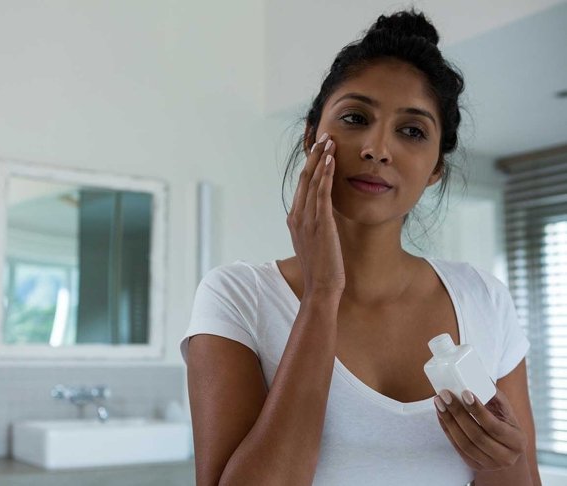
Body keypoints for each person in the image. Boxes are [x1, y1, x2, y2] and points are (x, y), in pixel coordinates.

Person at [179, 8, 542, 486]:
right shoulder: (237, 298)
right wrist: (322, 294)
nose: (378, 148)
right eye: (355, 117)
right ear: (313, 137)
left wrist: (506, 456)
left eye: (412, 131)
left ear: (436, 167)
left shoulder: (485, 300)